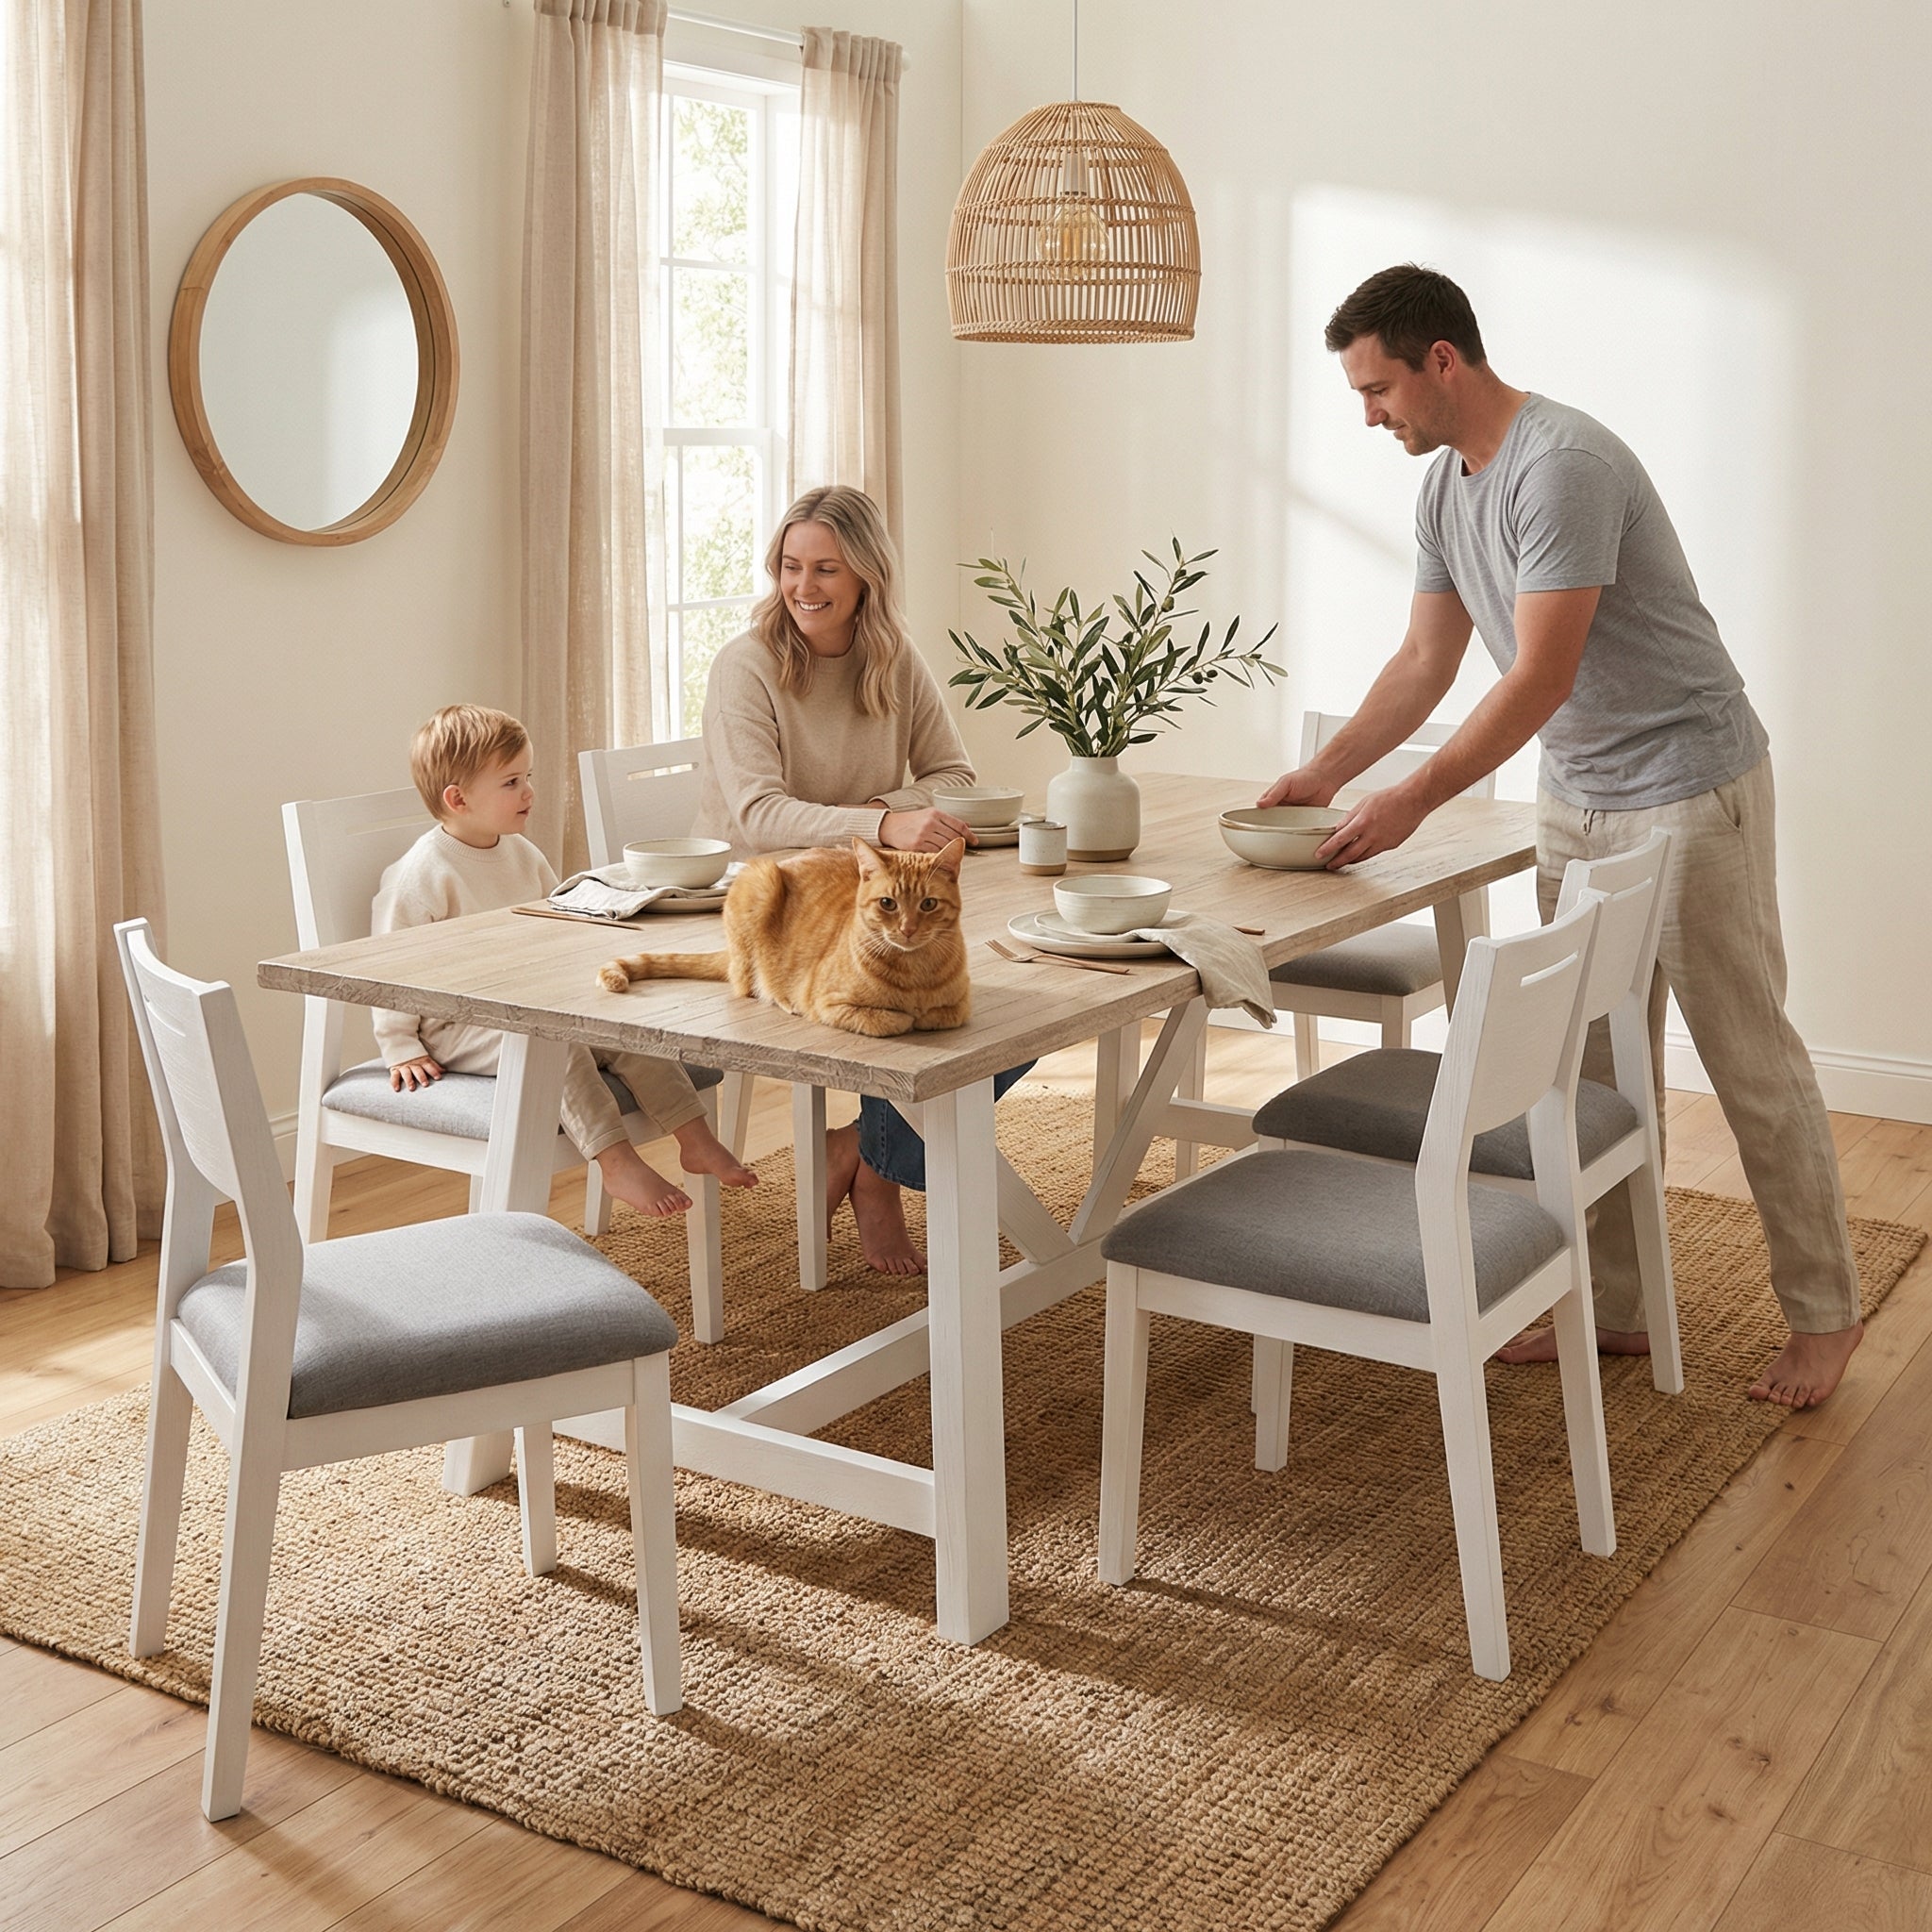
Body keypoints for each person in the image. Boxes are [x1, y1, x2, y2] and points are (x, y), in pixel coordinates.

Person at [1259, 263, 1861, 1408]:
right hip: (1573, 792)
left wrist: (1411, 800)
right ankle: (1616, 1302)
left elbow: (1537, 675)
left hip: (1687, 783)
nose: (1368, 414)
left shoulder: (1562, 464)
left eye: (1376, 387)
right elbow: (1424, 663)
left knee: (1746, 1058)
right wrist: (1321, 776)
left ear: (1443, 360)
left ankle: (1824, 1313)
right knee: (1579, 1066)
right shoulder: (1444, 490)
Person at [691, 484, 1028, 1274]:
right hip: (780, 909)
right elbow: (755, 815)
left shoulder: (893, 656)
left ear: (867, 576)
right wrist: (883, 826)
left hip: (875, 895)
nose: (803, 587)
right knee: (947, 1008)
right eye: (789, 565)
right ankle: (878, 1172)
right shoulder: (747, 665)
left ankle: (868, 1158)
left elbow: (955, 773)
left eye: (826, 569)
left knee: (1002, 1015)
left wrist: (883, 815)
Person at [374, 703, 758, 1218]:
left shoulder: (520, 852)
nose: (529, 792)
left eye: (527, 776)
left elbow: (556, 924)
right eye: (511, 782)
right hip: (459, 1024)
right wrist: (399, 1045)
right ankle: (615, 1160)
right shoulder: (422, 875)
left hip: (530, 1002)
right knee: (552, 1045)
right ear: (458, 798)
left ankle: (694, 1136)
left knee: (627, 1031)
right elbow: (386, 968)